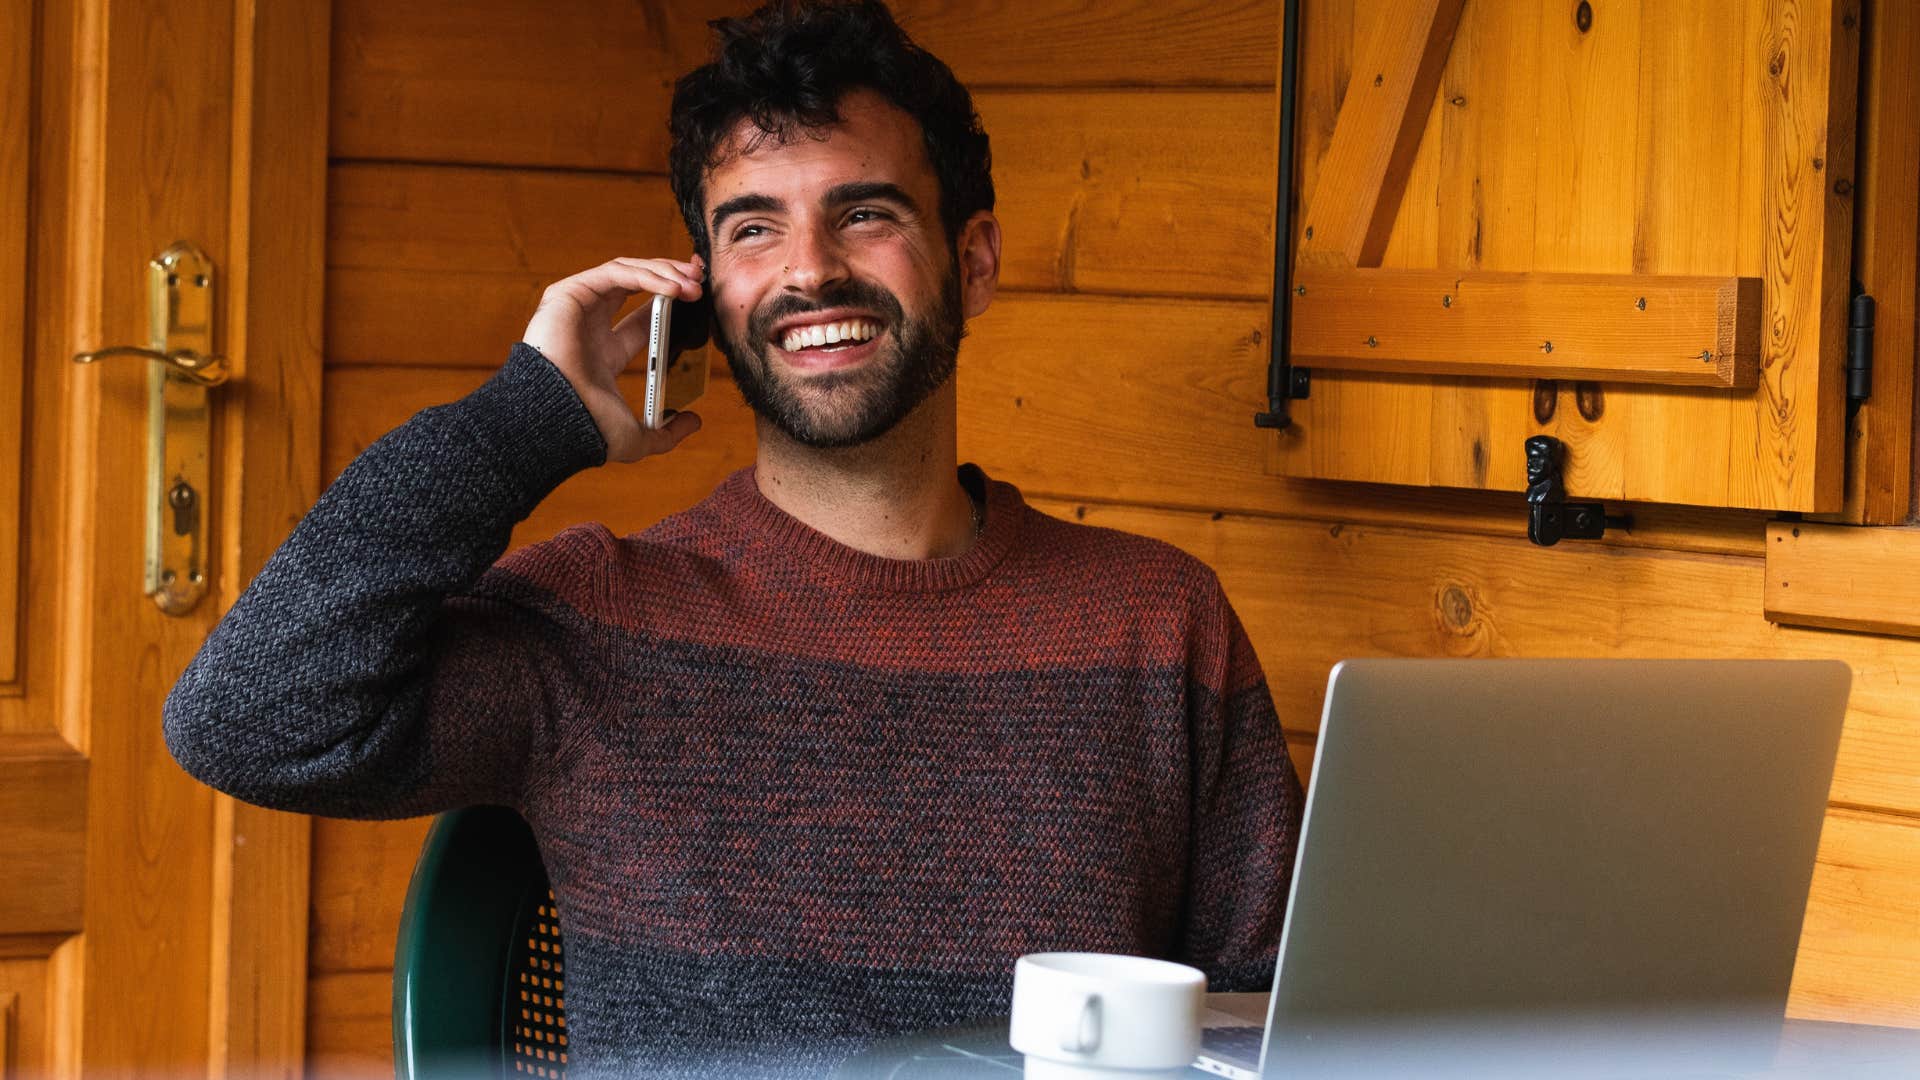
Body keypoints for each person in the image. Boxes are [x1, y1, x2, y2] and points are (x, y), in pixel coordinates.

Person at [164, 1, 1303, 1074]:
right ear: (705, 292)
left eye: (866, 212)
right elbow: (248, 718)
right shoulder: (599, 615)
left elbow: (1278, 1019)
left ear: (975, 260)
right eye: (754, 229)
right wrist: (521, 421)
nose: (810, 270)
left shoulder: (1158, 622)